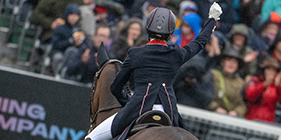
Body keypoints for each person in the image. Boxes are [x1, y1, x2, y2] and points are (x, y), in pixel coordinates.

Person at [85, 3, 222, 140]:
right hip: (169, 111)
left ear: (148, 29)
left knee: (91, 138)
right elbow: (199, 42)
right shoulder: (176, 54)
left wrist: (129, 101)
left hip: (136, 109)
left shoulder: (135, 54)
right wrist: (211, 20)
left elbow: (115, 88)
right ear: (170, 33)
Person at [245, 56, 281, 123]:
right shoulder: (255, 80)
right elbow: (250, 96)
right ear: (263, 70)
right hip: (252, 119)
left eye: (273, 70)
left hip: (269, 121)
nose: (271, 72)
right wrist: (264, 85)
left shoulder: (276, 86)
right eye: (268, 69)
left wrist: (279, 86)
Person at [49, 3, 85, 76]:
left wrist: (79, 43)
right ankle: (55, 74)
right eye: (72, 15)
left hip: (73, 55)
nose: (74, 18)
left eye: (76, 15)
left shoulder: (79, 30)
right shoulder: (60, 28)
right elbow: (55, 44)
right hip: (60, 52)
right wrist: (70, 41)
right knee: (58, 58)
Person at [209, 49, 247, 117]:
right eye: (229, 60)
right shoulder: (213, 75)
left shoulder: (241, 82)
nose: (231, 64)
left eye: (235, 62)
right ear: (222, 62)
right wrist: (215, 107)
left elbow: (242, 104)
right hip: (211, 115)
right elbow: (204, 95)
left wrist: (236, 112)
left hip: (230, 119)